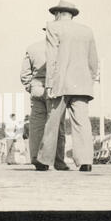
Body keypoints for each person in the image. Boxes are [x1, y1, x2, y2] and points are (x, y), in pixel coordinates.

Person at [36, 0, 99, 172]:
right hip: (82, 84)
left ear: (58, 14)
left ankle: (44, 160)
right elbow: (93, 61)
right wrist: (89, 80)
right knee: (82, 123)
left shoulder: (52, 27)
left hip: (60, 83)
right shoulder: (87, 31)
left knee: (53, 122)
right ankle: (86, 161)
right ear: (72, 14)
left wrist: (49, 83)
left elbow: (52, 56)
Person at [20, 36, 69, 171]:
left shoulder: (32, 48)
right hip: (55, 89)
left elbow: (24, 74)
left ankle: (37, 158)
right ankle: (59, 161)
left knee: (36, 125)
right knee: (57, 125)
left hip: (37, 88)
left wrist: (31, 87)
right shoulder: (62, 48)